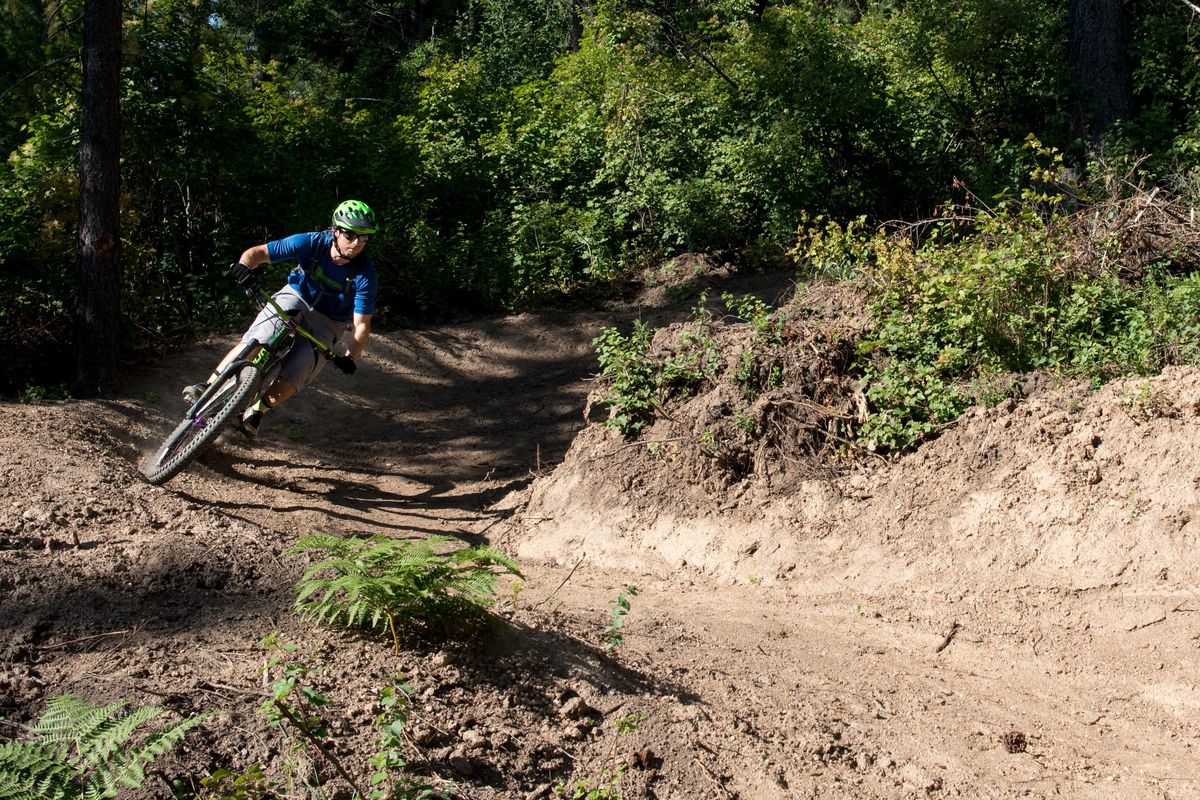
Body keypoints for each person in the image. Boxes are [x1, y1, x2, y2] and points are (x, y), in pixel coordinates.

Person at [183, 199, 380, 438]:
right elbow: (259, 253)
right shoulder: (310, 242)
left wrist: (350, 356)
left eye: (364, 237)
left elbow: (361, 324)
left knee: (302, 365)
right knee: (259, 338)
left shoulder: (365, 274)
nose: (358, 242)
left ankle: (258, 409)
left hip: (329, 320)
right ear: (335, 231)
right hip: (296, 295)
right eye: (351, 235)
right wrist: (244, 266)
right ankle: (209, 387)